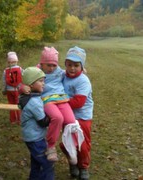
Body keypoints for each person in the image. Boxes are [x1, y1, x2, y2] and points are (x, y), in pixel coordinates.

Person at [38, 47, 82, 163]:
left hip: (62, 98)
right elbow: (25, 78)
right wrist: (24, 87)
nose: (52, 68)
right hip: (47, 99)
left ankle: (70, 147)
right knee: (58, 118)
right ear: (42, 63)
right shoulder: (37, 71)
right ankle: (51, 146)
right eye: (48, 65)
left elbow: (71, 71)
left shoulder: (59, 71)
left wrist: (82, 70)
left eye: (54, 65)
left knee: (71, 121)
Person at [60, 46, 94, 180]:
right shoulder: (63, 75)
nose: (72, 68)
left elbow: (78, 102)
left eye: (76, 65)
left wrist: (59, 103)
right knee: (67, 142)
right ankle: (72, 162)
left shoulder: (83, 81)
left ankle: (83, 166)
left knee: (82, 143)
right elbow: (48, 73)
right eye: (69, 65)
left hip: (82, 116)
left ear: (82, 66)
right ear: (65, 65)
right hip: (67, 115)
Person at [18, 67, 54, 180]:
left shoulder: (27, 97)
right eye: (41, 81)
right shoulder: (33, 102)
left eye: (44, 80)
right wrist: (53, 117)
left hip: (31, 137)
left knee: (36, 162)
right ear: (31, 85)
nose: (44, 84)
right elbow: (43, 122)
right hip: (36, 139)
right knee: (47, 164)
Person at [2, 51, 22, 124]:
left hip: (9, 90)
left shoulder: (5, 71)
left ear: (8, 62)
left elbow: (4, 82)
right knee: (18, 104)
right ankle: (20, 119)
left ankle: (13, 120)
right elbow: (23, 78)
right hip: (18, 90)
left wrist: (4, 90)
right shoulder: (20, 69)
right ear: (16, 61)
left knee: (11, 104)